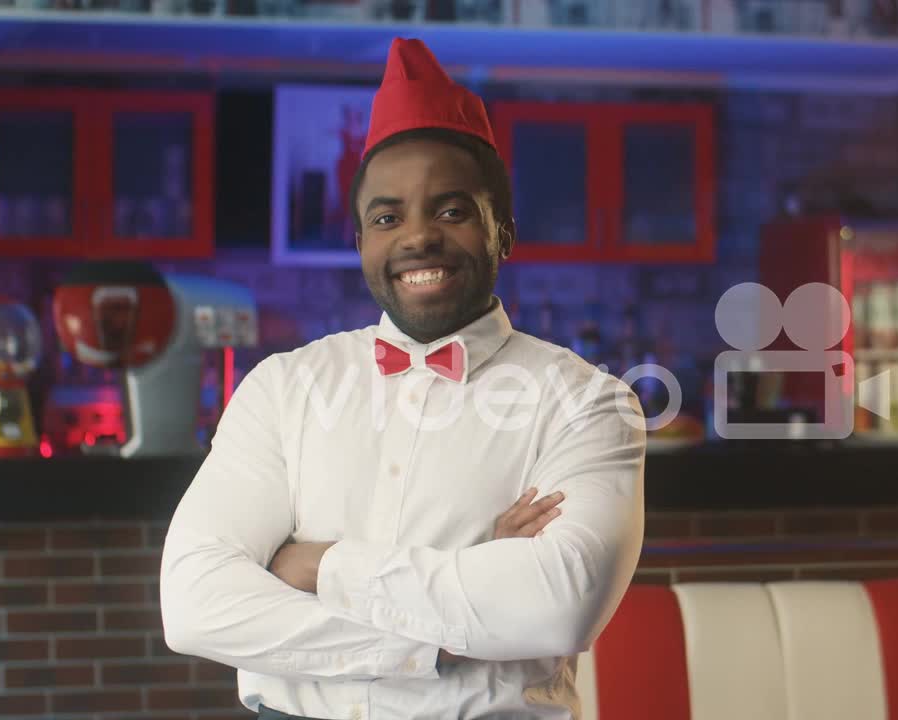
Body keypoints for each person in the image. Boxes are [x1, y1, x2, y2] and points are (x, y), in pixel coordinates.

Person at [160, 37, 646, 720]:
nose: (418, 238)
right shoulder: (281, 388)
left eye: (451, 211)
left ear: (502, 231)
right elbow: (193, 604)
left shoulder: (588, 403)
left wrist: (314, 567)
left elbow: (559, 605)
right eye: (387, 217)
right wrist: (446, 629)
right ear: (360, 242)